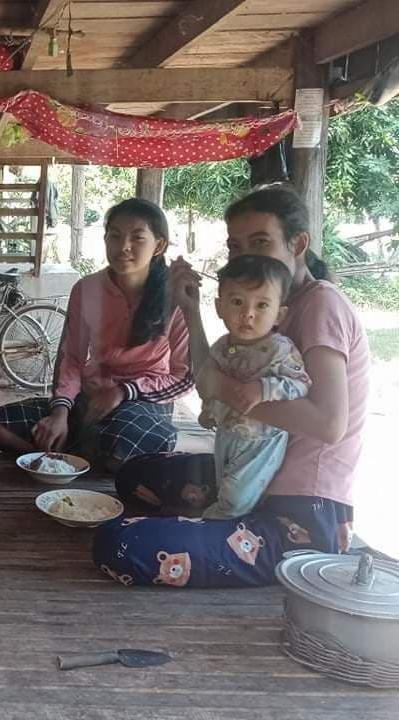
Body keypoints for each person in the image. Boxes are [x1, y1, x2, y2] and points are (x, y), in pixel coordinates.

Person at [94, 184, 369, 588]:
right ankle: (215, 527)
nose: (246, 257)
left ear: (298, 244)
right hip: (246, 474)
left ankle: (221, 532)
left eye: (260, 242)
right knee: (135, 473)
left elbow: (329, 424)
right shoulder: (267, 307)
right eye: (235, 247)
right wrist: (190, 309)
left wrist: (229, 391)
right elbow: (210, 381)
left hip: (303, 514)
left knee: (119, 543)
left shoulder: (319, 304)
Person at [0, 198, 194, 471]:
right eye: (114, 236)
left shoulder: (175, 296)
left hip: (144, 402)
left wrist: (123, 391)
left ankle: (81, 451)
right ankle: (84, 452)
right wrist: (60, 413)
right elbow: (72, 358)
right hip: (90, 398)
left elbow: (184, 378)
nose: (124, 246)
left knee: (121, 440)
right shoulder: (87, 289)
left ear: (159, 245)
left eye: (137, 238)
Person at [190, 255, 311, 518]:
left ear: (279, 315)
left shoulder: (280, 349)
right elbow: (210, 383)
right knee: (224, 483)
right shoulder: (221, 347)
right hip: (226, 434)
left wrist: (263, 388)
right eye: (237, 302)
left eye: (262, 305)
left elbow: (301, 384)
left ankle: (219, 524)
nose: (248, 314)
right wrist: (209, 409)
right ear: (219, 307)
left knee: (236, 498)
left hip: (262, 441)